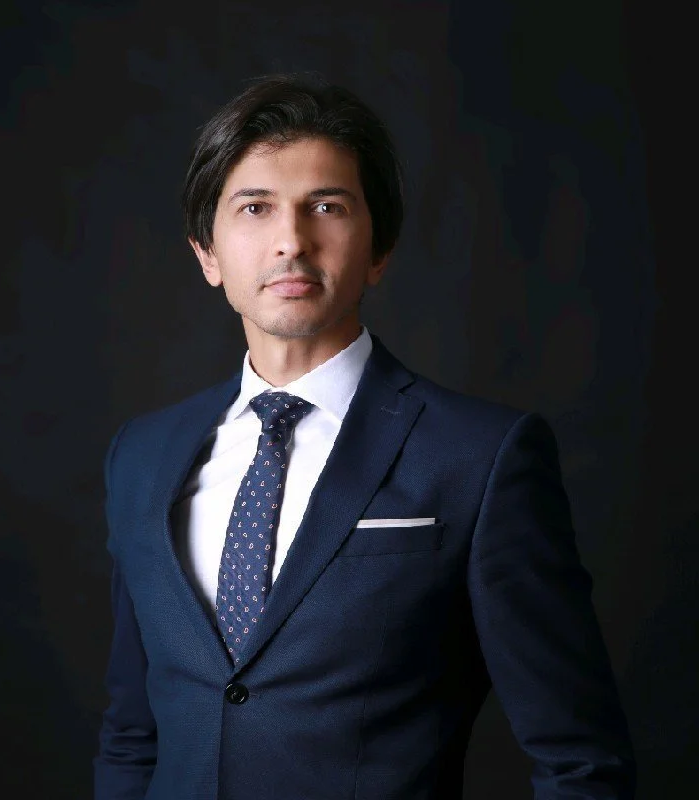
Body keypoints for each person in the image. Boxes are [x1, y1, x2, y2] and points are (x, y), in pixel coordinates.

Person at [94, 74, 636, 799]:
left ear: (378, 249)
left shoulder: (482, 458)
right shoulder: (142, 455)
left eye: (327, 206)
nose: (291, 240)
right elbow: (132, 734)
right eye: (254, 208)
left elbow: (581, 762)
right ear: (208, 255)